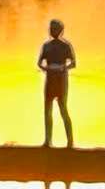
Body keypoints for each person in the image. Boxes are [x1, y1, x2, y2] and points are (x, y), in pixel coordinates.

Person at [37, 18, 76, 148]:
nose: (53, 31)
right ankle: (47, 140)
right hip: (50, 80)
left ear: (60, 31)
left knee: (63, 108)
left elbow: (73, 63)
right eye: (51, 29)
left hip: (61, 80)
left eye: (55, 29)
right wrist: (46, 68)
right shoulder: (46, 46)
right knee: (47, 110)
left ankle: (70, 141)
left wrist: (63, 68)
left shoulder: (66, 46)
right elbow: (39, 63)